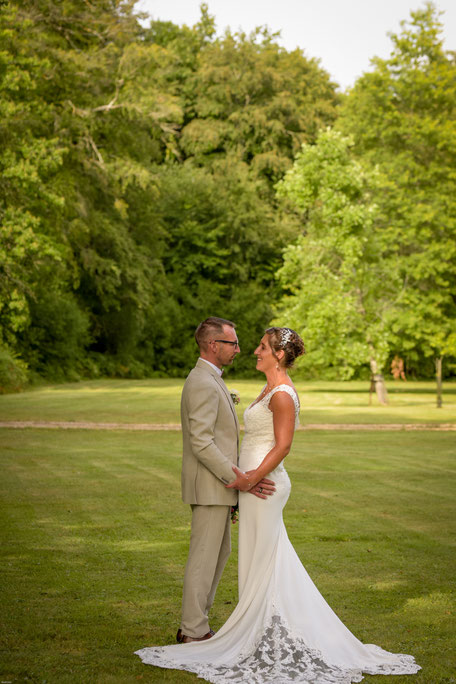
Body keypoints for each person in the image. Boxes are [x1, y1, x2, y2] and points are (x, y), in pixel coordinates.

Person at [136, 326, 420, 682]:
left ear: (279, 354)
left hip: (262, 485)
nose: (252, 350)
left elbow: (283, 446)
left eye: (260, 346)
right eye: (243, 344)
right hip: (246, 484)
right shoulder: (260, 387)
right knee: (255, 559)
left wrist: (249, 480)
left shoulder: (282, 393)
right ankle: (236, 629)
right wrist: (242, 482)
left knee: (263, 559)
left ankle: (247, 633)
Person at [174, 317, 276, 645]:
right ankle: (192, 630)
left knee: (217, 556)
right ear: (214, 345)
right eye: (233, 343)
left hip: (220, 488)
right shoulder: (202, 381)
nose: (239, 349)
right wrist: (240, 479)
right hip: (211, 485)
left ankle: (197, 624)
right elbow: (201, 441)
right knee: (204, 558)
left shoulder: (211, 379)